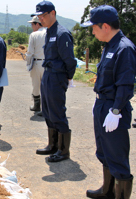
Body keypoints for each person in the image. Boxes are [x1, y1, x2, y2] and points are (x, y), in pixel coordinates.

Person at [81, 5, 135, 198]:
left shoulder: (124, 48)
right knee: (104, 152)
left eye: (93, 27)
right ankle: (108, 191)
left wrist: (116, 111)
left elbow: (126, 85)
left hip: (114, 109)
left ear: (105, 26)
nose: (92, 31)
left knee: (117, 158)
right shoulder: (109, 46)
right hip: (103, 105)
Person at [32, 1, 77, 162]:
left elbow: (70, 61)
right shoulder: (49, 32)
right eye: (39, 16)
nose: (41, 19)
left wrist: (68, 78)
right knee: (48, 111)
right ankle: (53, 145)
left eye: (43, 15)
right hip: (48, 74)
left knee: (57, 112)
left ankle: (64, 150)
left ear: (53, 13)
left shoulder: (61, 33)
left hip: (57, 77)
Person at [25, 16, 46, 115]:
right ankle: (46, 108)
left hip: (37, 63)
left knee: (36, 85)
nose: (32, 26)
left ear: (37, 24)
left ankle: (37, 106)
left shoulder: (34, 35)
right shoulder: (50, 32)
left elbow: (30, 52)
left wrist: (28, 63)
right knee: (46, 87)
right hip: (48, 63)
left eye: (32, 24)